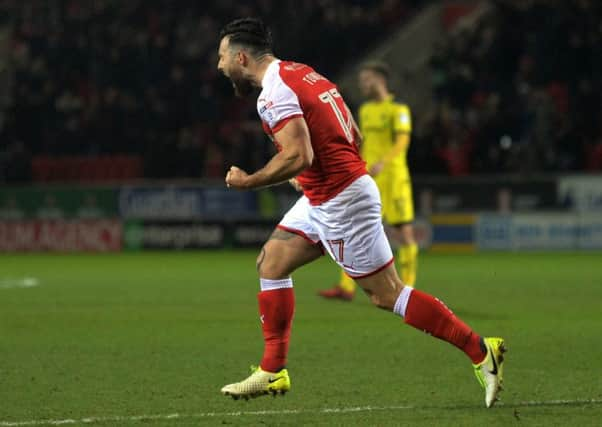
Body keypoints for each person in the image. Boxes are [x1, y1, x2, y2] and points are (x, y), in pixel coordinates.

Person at [218, 18, 506, 408]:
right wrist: (314, 173)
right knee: (271, 263)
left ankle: (479, 350)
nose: (219, 66)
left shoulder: (271, 93)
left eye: (222, 57)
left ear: (240, 57)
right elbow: (351, 132)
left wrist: (250, 180)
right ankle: (273, 371)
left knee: (388, 296)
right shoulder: (304, 73)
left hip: (342, 202)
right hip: (325, 195)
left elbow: (299, 154)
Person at [319, 61, 418, 301]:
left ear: (380, 80)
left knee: (404, 233)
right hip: (367, 179)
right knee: (354, 231)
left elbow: (403, 141)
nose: (362, 84)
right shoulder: (364, 111)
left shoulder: (398, 109)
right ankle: (347, 288)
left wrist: (384, 161)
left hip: (394, 178)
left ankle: (408, 289)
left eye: (367, 80)